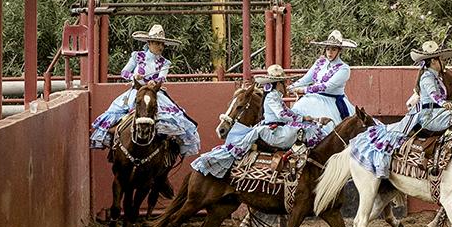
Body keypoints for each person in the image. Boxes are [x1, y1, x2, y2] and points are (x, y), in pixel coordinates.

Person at [349, 40, 452, 178]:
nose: (443, 62)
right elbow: (434, 95)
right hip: (429, 116)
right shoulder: (427, 77)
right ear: (434, 61)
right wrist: (445, 103)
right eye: (441, 59)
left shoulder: (437, 78)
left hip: (438, 112)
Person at [191, 65, 331, 179]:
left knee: (310, 126)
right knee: (310, 130)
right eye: (284, 82)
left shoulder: (273, 96)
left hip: (273, 128)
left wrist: (312, 119)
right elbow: (282, 114)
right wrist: (304, 119)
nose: (286, 86)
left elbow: (288, 114)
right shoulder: (272, 97)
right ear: (278, 84)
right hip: (274, 132)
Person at [89, 24, 201, 157]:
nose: (161, 47)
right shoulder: (137, 56)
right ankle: (114, 144)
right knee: (116, 115)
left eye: (162, 44)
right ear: (149, 43)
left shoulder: (165, 63)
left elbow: (162, 79)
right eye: (158, 43)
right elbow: (124, 72)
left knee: (176, 120)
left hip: (155, 93)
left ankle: (168, 151)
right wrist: (133, 76)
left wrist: (155, 82)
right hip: (136, 92)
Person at [288, 30, 358, 132]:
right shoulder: (320, 62)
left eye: (333, 49)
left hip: (332, 102)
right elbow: (307, 78)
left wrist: (303, 90)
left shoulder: (344, 69)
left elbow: (327, 86)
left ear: (339, 50)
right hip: (313, 98)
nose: (330, 52)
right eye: (328, 49)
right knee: (298, 112)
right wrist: (291, 87)